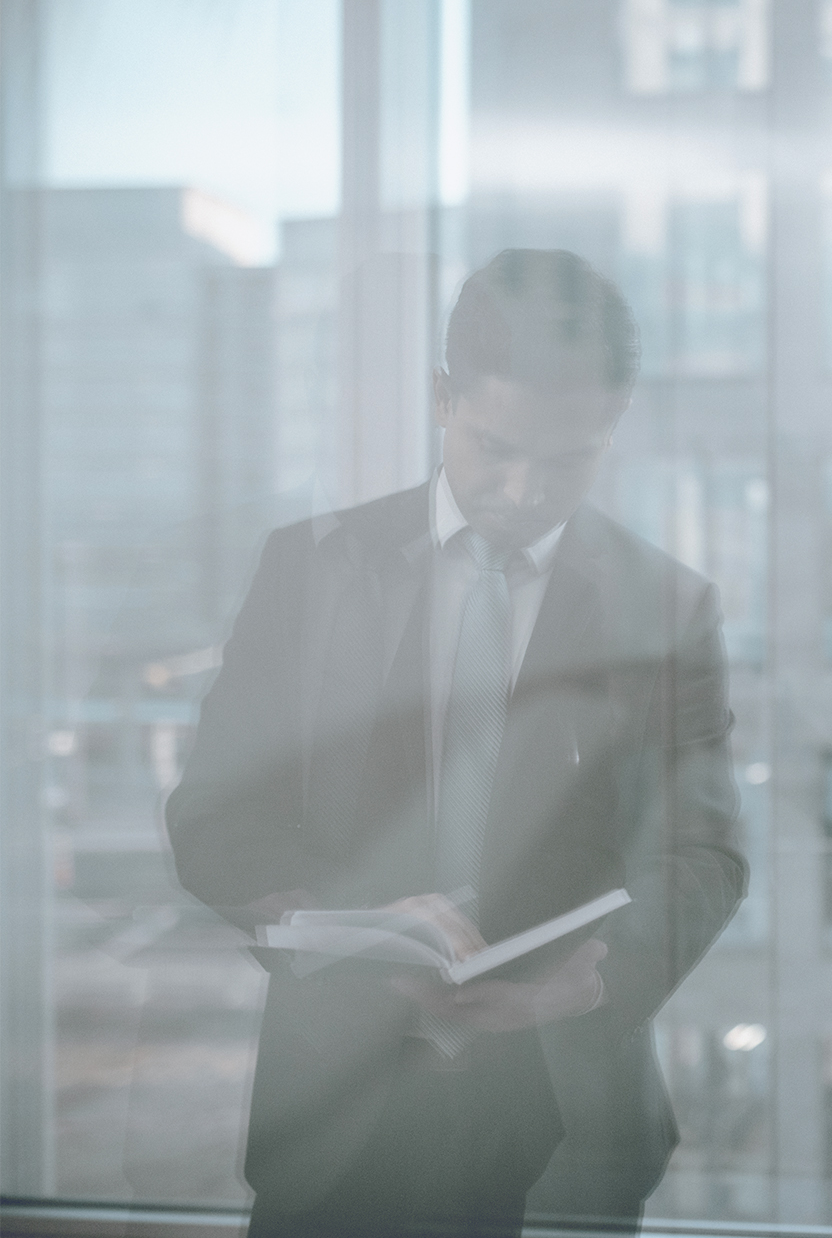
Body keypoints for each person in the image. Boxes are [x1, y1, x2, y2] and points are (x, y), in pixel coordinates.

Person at [167, 249, 746, 1237]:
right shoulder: (310, 571)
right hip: (335, 1114)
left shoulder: (668, 609)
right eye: (496, 446)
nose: (524, 490)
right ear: (443, 397)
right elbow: (216, 812)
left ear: (615, 427)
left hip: (566, 1125)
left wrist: (592, 974)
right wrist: (337, 921)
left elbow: (706, 855)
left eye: (569, 459)